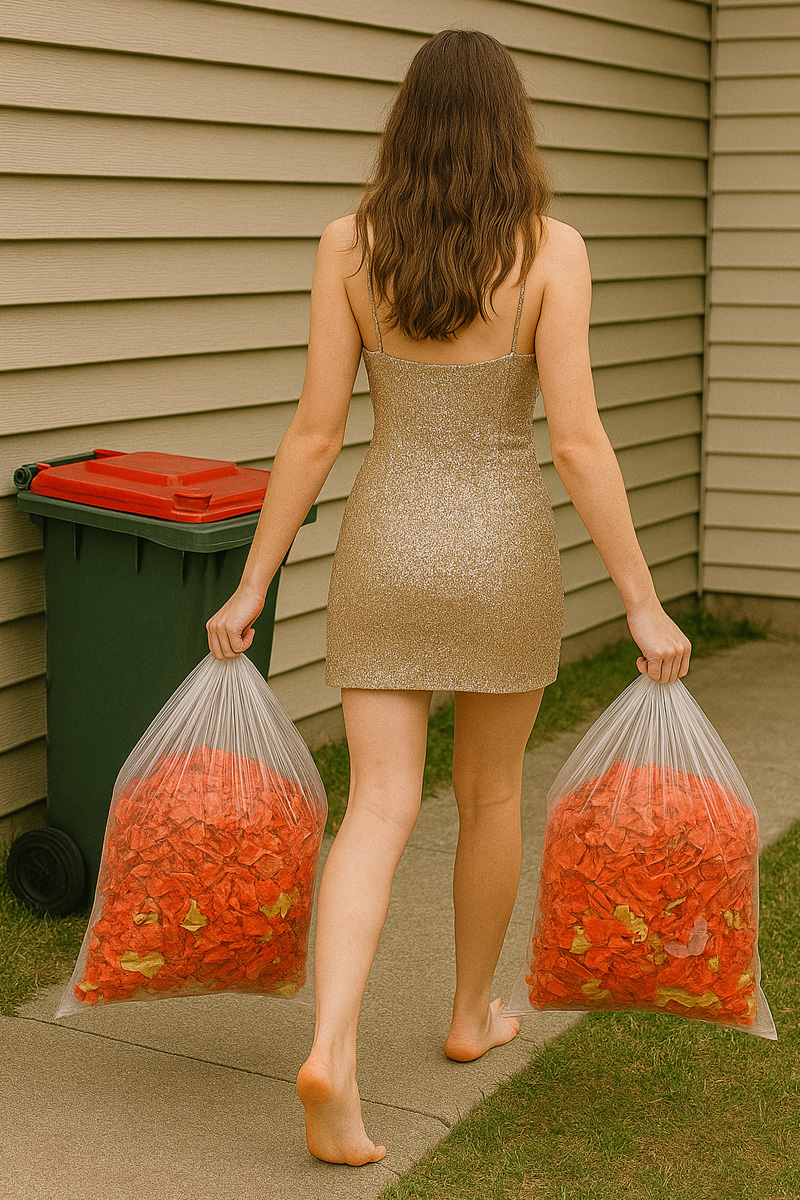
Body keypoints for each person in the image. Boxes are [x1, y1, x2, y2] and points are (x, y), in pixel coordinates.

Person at [206, 28, 692, 1168]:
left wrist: (253, 581)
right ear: (509, 128)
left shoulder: (347, 245)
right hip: (500, 553)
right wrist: (641, 602)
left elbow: (316, 432)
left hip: (385, 545)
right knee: (486, 798)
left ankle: (332, 1045)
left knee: (376, 803)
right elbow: (574, 442)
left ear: (405, 125)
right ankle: (469, 1017)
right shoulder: (551, 250)